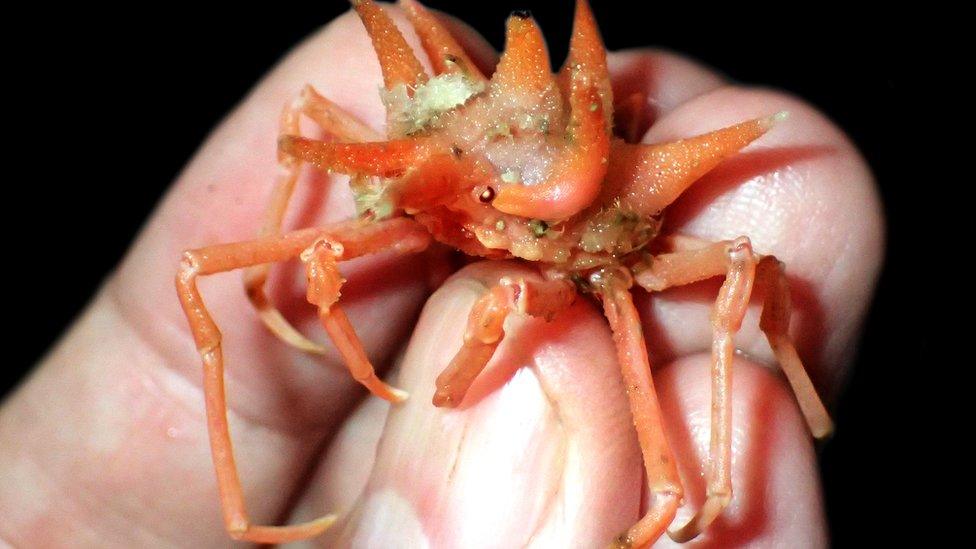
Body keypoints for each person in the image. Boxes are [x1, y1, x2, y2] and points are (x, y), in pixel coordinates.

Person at [0, 7, 883, 547]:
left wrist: (712, 484)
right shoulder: (439, 184)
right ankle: (241, 511)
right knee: (208, 266)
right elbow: (272, 192)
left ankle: (766, 425)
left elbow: (739, 269)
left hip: (586, 259)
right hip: (473, 205)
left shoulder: (585, 216)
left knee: (740, 267)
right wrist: (290, 270)